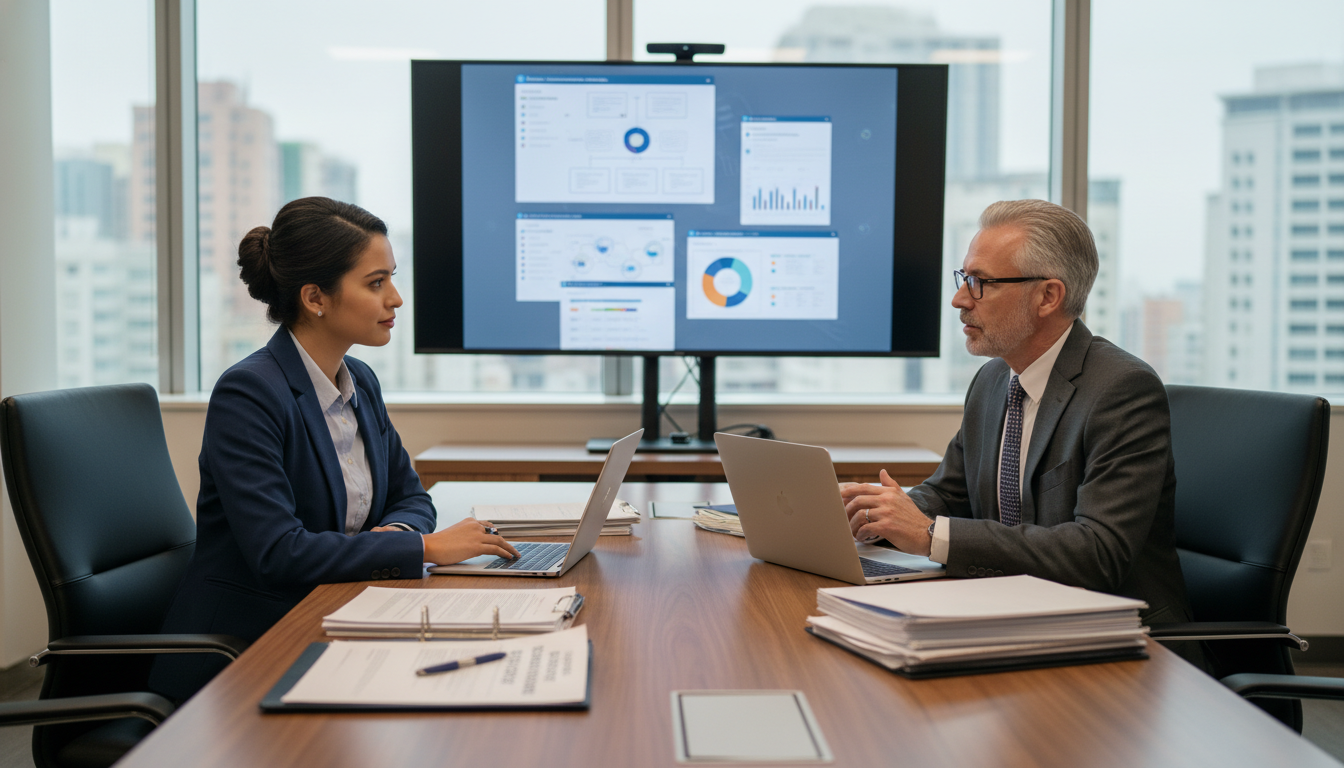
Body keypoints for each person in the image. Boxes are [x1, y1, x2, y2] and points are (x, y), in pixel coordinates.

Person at [150, 197, 519, 699]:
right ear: (315, 298)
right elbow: (279, 552)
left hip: (335, 615)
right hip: (245, 652)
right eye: (376, 283)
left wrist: (397, 533)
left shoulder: (359, 381)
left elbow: (411, 497)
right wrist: (423, 547)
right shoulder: (249, 393)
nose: (396, 299)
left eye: (391, 278)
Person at [840, 199, 1200, 660]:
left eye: (981, 283)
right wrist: (875, 515)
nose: (959, 299)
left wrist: (930, 535)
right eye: (963, 278)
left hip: (1120, 643)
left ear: (1047, 296)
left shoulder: (1122, 390)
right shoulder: (993, 379)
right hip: (1009, 614)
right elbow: (950, 494)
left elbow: (1098, 553)